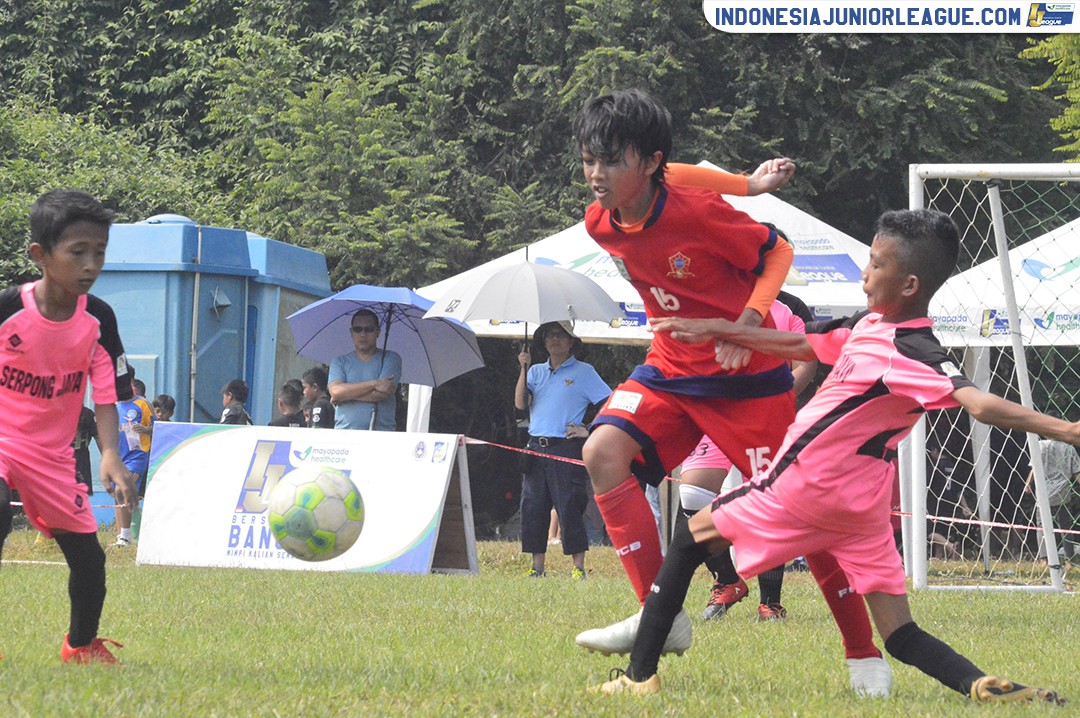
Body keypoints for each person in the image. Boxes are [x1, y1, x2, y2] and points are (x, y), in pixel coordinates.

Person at [593, 208, 1070, 705]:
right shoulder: (869, 327)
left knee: (689, 538)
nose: (865, 274)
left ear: (909, 285)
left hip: (806, 485)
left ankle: (639, 675)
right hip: (862, 512)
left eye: (876, 264)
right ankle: (980, 684)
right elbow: (798, 341)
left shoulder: (912, 348)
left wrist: (1068, 430)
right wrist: (722, 329)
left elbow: (979, 404)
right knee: (900, 632)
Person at [571, 88, 799, 658]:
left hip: (746, 379)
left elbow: (778, 252)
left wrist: (746, 326)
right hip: (670, 369)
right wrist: (748, 183)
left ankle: (866, 649)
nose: (595, 174)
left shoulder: (696, 212)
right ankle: (661, 614)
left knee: (798, 511)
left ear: (648, 162)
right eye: (588, 159)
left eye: (610, 161)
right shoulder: (599, 223)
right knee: (602, 453)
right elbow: (675, 171)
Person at [0, 189, 137, 664]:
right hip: (2, 439)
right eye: (78, 252)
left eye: (99, 252)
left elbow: (106, 397)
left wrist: (111, 455)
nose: (91, 264)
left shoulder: (98, 318)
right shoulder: (7, 309)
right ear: (40, 254)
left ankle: (80, 646)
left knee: (90, 560)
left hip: (54, 457)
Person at [682, 293, 819, 622]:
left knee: (768, 505)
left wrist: (777, 400)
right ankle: (728, 580)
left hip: (763, 422)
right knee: (692, 495)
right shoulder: (713, 295)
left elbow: (807, 361)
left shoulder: (789, 308)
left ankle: (770, 603)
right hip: (716, 414)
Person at [516, 321, 611, 579]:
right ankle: (537, 568)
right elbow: (521, 404)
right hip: (536, 447)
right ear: (543, 341)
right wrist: (523, 368)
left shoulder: (584, 372)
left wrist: (588, 429)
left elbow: (609, 402)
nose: (555, 340)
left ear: (571, 342)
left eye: (561, 335)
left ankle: (578, 568)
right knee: (533, 507)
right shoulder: (535, 371)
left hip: (565, 447)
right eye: (550, 335)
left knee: (570, 506)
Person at [328, 309, 401, 431]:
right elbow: (336, 391)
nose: (363, 334)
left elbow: (381, 394)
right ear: (351, 332)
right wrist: (374, 383)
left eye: (369, 329)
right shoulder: (339, 362)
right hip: (344, 434)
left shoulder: (391, 358)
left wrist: (344, 396)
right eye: (358, 329)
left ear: (378, 332)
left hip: (381, 435)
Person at [1024, 438, 1080, 563]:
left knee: (1042, 527)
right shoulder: (1069, 448)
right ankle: (1069, 560)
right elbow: (1076, 472)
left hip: (1044, 495)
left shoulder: (1040, 446)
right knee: (1065, 528)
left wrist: (1028, 484)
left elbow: (1034, 467)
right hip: (1062, 495)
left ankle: (1044, 559)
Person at [115, 371, 154, 547]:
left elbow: (157, 426)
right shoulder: (113, 403)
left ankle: (126, 537)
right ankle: (124, 536)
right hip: (118, 456)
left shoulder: (142, 403)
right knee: (119, 494)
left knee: (123, 489)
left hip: (137, 455)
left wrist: (145, 429)